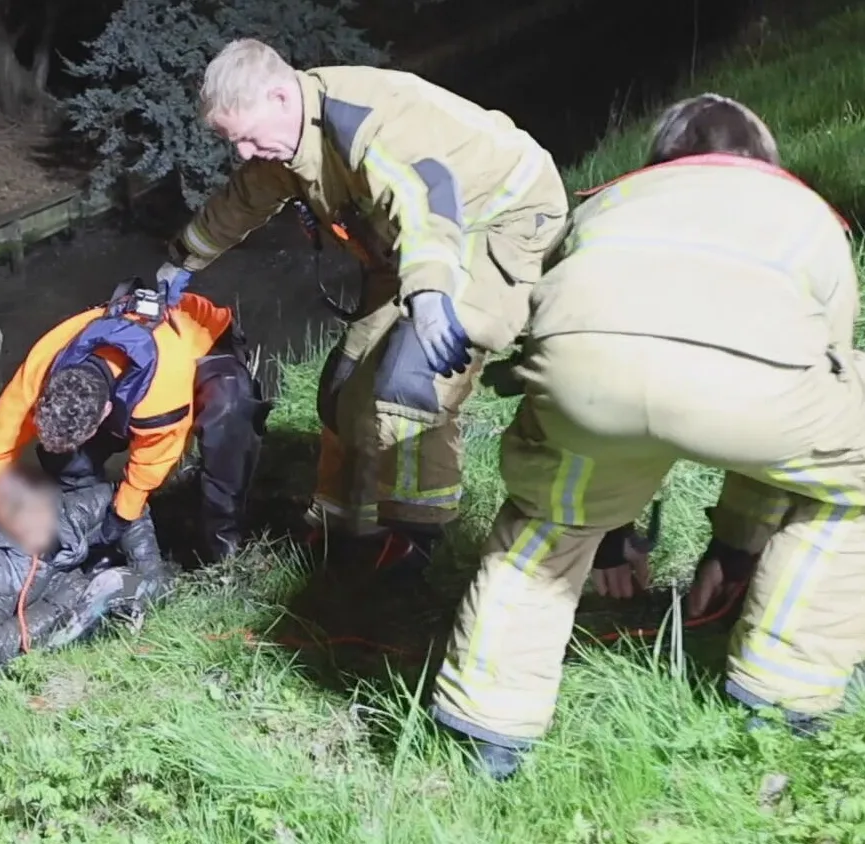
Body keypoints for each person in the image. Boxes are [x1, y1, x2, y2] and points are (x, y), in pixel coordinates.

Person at [431, 93, 865, 780]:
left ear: (660, 156)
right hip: (757, 399)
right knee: (849, 479)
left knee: (547, 520)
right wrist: (735, 543)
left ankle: (488, 722)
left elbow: (556, 316)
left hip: (585, 385)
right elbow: (825, 363)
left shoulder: (606, 203)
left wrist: (607, 530)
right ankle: (786, 692)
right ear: (764, 159)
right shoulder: (809, 217)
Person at [158, 38, 569, 577]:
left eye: (248, 137)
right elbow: (244, 198)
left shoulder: (368, 123)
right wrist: (183, 260)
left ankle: (417, 539)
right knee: (345, 386)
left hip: (495, 220)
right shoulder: (286, 137)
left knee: (412, 379)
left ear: (282, 97)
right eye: (233, 141)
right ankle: (347, 523)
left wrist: (426, 293)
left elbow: (426, 200)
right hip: (410, 241)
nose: (244, 152)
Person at [0, 279, 268, 564]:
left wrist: (121, 517)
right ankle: (86, 517)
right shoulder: (43, 364)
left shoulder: (161, 397)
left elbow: (152, 462)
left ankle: (222, 544)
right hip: (127, 375)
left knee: (229, 415)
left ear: (105, 414)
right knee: (62, 457)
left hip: (204, 344)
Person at [0, 466, 175, 669]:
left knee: (127, 574)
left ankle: (130, 596)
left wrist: (151, 573)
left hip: (77, 582)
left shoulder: (66, 511)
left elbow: (127, 502)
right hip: (40, 613)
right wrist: (66, 600)